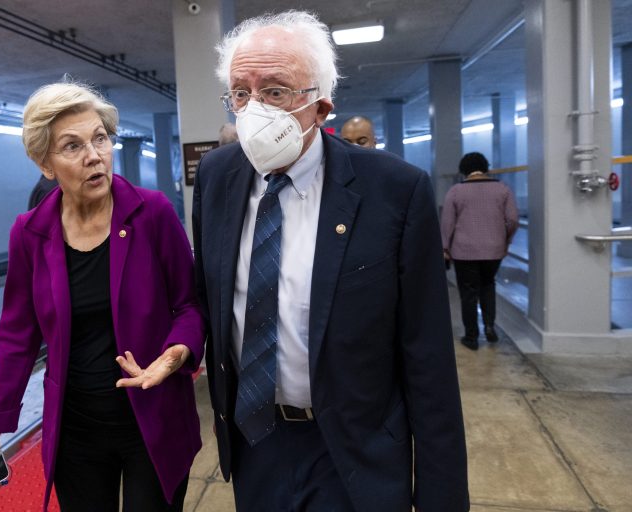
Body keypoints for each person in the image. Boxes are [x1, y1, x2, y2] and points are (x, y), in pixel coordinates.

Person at [193, 10, 469, 512]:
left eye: (274, 91)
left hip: (353, 450)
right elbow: (209, 299)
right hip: (256, 440)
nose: (253, 110)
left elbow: (428, 358)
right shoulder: (217, 177)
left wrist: (441, 496)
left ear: (320, 106)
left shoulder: (394, 191)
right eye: (240, 93)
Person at [0, 82, 205, 512]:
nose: (94, 155)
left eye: (100, 138)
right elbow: (17, 339)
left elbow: (189, 305)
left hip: (152, 417)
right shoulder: (30, 233)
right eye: (72, 146)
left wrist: (173, 356)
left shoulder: (153, 214)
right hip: (76, 427)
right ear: (45, 164)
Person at [441, 152, 518, 351]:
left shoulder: (456, 191)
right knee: (488, 285)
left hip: (464, 251)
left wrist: (445, 248)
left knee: (468, 292)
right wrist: (505, 239)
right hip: (494, 250)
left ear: (463, 171)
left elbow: (447, 223)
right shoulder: (503, 189)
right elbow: (512, 220)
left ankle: (472, 336)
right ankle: (490, 327)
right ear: (486, 168)